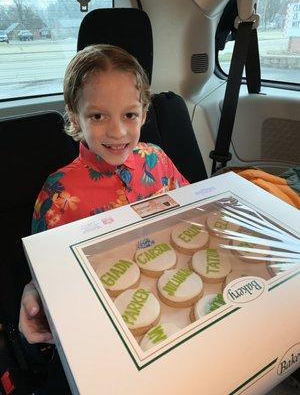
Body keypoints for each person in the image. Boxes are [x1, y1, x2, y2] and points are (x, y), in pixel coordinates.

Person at [18, 44, 189, 391]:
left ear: (144, 111)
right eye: (98, 116)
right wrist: (34, 290)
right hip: (109, 326)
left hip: (172, 299)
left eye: (130, 115)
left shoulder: (157, 160)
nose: (117, 132)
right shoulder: (59, 193)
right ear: (74, 116)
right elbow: (48, 272)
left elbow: (189, 212)